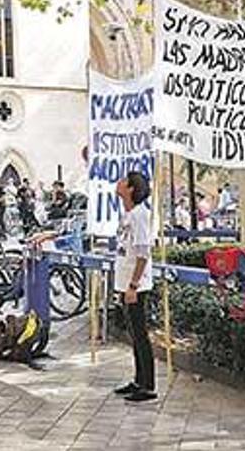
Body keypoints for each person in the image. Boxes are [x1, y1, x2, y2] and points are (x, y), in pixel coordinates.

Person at [112, 171, 156, 403]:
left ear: (130, 189)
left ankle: (148, 385)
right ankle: (138, 380)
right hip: (125, 283)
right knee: (133, 335)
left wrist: (133, 285)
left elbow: (143, 253)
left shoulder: (140, 215)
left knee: (140, 335)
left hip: (135, 286)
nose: (117, 184)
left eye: (122, 181)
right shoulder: (127, 214)